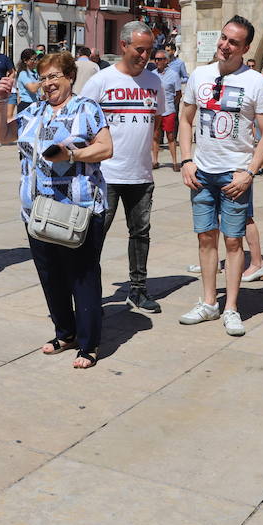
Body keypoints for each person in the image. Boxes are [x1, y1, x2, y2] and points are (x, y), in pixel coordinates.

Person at [0, 52, 113, 367]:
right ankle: (65, 332)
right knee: (51, 276)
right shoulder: (34, 111)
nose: (49, 83)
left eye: (55, 76)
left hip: (80, 209)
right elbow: (1, 135)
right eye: (44, 77)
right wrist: (2, 100)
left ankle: (88, 344)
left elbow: (106, 147)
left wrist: (71, 155)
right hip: (38, 210)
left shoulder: (87, 108)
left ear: (70, 77)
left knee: (83, 276)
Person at [177, 15, 263, 337]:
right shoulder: (200, 75)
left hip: (235, 175)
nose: (225, 45)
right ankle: (209, 302)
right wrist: (186, 160)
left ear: (245, 48)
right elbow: (186, 120)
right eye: (223, 38)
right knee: (206, 238)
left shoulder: (256, 82)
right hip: (201, 172)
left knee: (234, 241)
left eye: (233, 42)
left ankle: (231, 306)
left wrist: (249, 171)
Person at [80, 22, 168, 314]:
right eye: (139, 49)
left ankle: (138, 290)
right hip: (106, 175)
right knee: (95, 235)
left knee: (140, 233)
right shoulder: (101, 81)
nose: (145, 56)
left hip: (141, 175)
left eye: (149, 50)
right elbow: (82, 122)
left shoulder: (154, 83)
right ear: (124, 46)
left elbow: (156, 121)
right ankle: (89, 292)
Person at [150, 48, 181, 170]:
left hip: (168, 110)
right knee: (155, 136)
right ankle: (155, 161)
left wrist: (173, 105)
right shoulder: (152, 74)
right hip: (156, 110)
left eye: (160, 59)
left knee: (170, 136)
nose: (157, 61)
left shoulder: (173, 75)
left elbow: (178, 93)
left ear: (166, 61)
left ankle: (174, 162)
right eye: (156, 59)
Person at [14, 48, 42, 115]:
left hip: (35, 103)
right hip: (26, 104)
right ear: (25, 61)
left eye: (36, 59)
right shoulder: (23, 73)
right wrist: (43, 80)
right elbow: (32, 89)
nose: (35, 62)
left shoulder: (35, 73)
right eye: (33, 59)